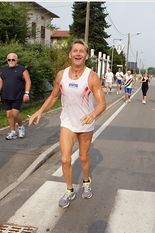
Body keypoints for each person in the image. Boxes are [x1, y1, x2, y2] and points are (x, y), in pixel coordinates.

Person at [28, 39, 106, 208]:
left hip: (85, 124)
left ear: (86, 56)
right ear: (70, 54)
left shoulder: (91, 77)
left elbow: (102, 103)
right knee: (65, 159)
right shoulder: (61, 75)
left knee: (84, 157)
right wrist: (40, 111)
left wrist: (93, 114)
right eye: (75, 50)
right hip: (68, 122)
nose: (78, 53)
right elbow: (54, 96)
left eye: (81, 51)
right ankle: (70, 190)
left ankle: (86, 181)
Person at [0, 53, 31, 140]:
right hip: (7, 95)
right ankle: (13, 131)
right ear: (7, 61)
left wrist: (26, 93)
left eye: (13, 59)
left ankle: (21, 127)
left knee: (15, 114)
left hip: (18, 95)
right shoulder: (4, 70)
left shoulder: (22, 69)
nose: (11, 61)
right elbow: (0, 82)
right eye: (9, 60)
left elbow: (28, 80)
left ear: (16, 60)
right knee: (9, 114)